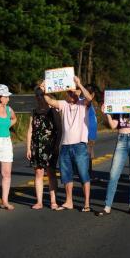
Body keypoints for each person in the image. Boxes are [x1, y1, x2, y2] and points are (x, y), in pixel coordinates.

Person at [39, 76, 92, 212]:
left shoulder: (82, 104)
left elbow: (90, 98)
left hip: (79, 145)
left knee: (83, 174)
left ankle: (86, 203)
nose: (71, 94)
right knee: (66, 174)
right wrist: (45, 90)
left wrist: (79, 85)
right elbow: (50, 100)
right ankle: (69, 201)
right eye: (69, 92)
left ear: (78, 92)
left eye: (73, 92)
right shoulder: (63, 104)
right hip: (65, 145)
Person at [97, 91, 130, 216]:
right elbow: (113, 125)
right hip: (122, 139)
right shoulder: (119, 109)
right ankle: (107, 206)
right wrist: (106, 114)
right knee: (113, 174)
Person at [26, 87, 62, 210]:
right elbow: (30, 130)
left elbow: (59, 130)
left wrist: (56, 146)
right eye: (38, 95)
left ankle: (53, 201)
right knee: (38, 173)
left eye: (42, 95)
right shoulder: (34, 112)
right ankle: (39, 201)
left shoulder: (53, 111)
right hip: (36, 145)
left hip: (50, 146)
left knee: (51, 173)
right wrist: (28, 148)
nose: (40, 98)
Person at [85, 84, 99, 181]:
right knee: (87, 155)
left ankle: (89, 174)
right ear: (93, 94)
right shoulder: (87, 103)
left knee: (90, 155)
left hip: (91, 134)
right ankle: (87, 176)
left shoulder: (92, 105)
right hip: (87, 134)